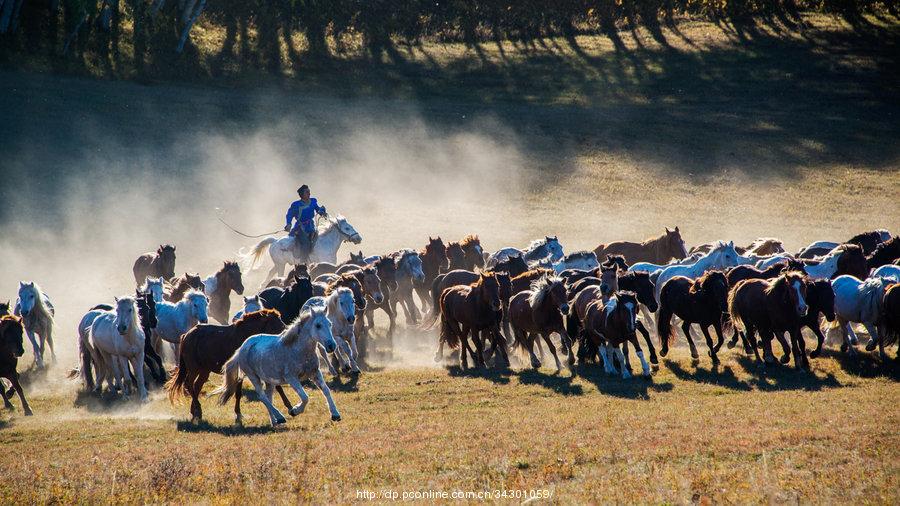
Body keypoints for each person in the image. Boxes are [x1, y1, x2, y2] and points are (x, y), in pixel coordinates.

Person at [284, 185, 327, 259]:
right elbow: (289, 214)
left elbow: (317, 209)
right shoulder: (296, 204)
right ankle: (302, 264)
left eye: (309, 191)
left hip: (311, 226)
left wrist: (322, 211)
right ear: (302, 194)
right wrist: (288, 224)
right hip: (300, 228)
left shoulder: (313, 201)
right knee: (306, 243)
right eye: (307, 192)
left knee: (319, 240)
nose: (309, 193)